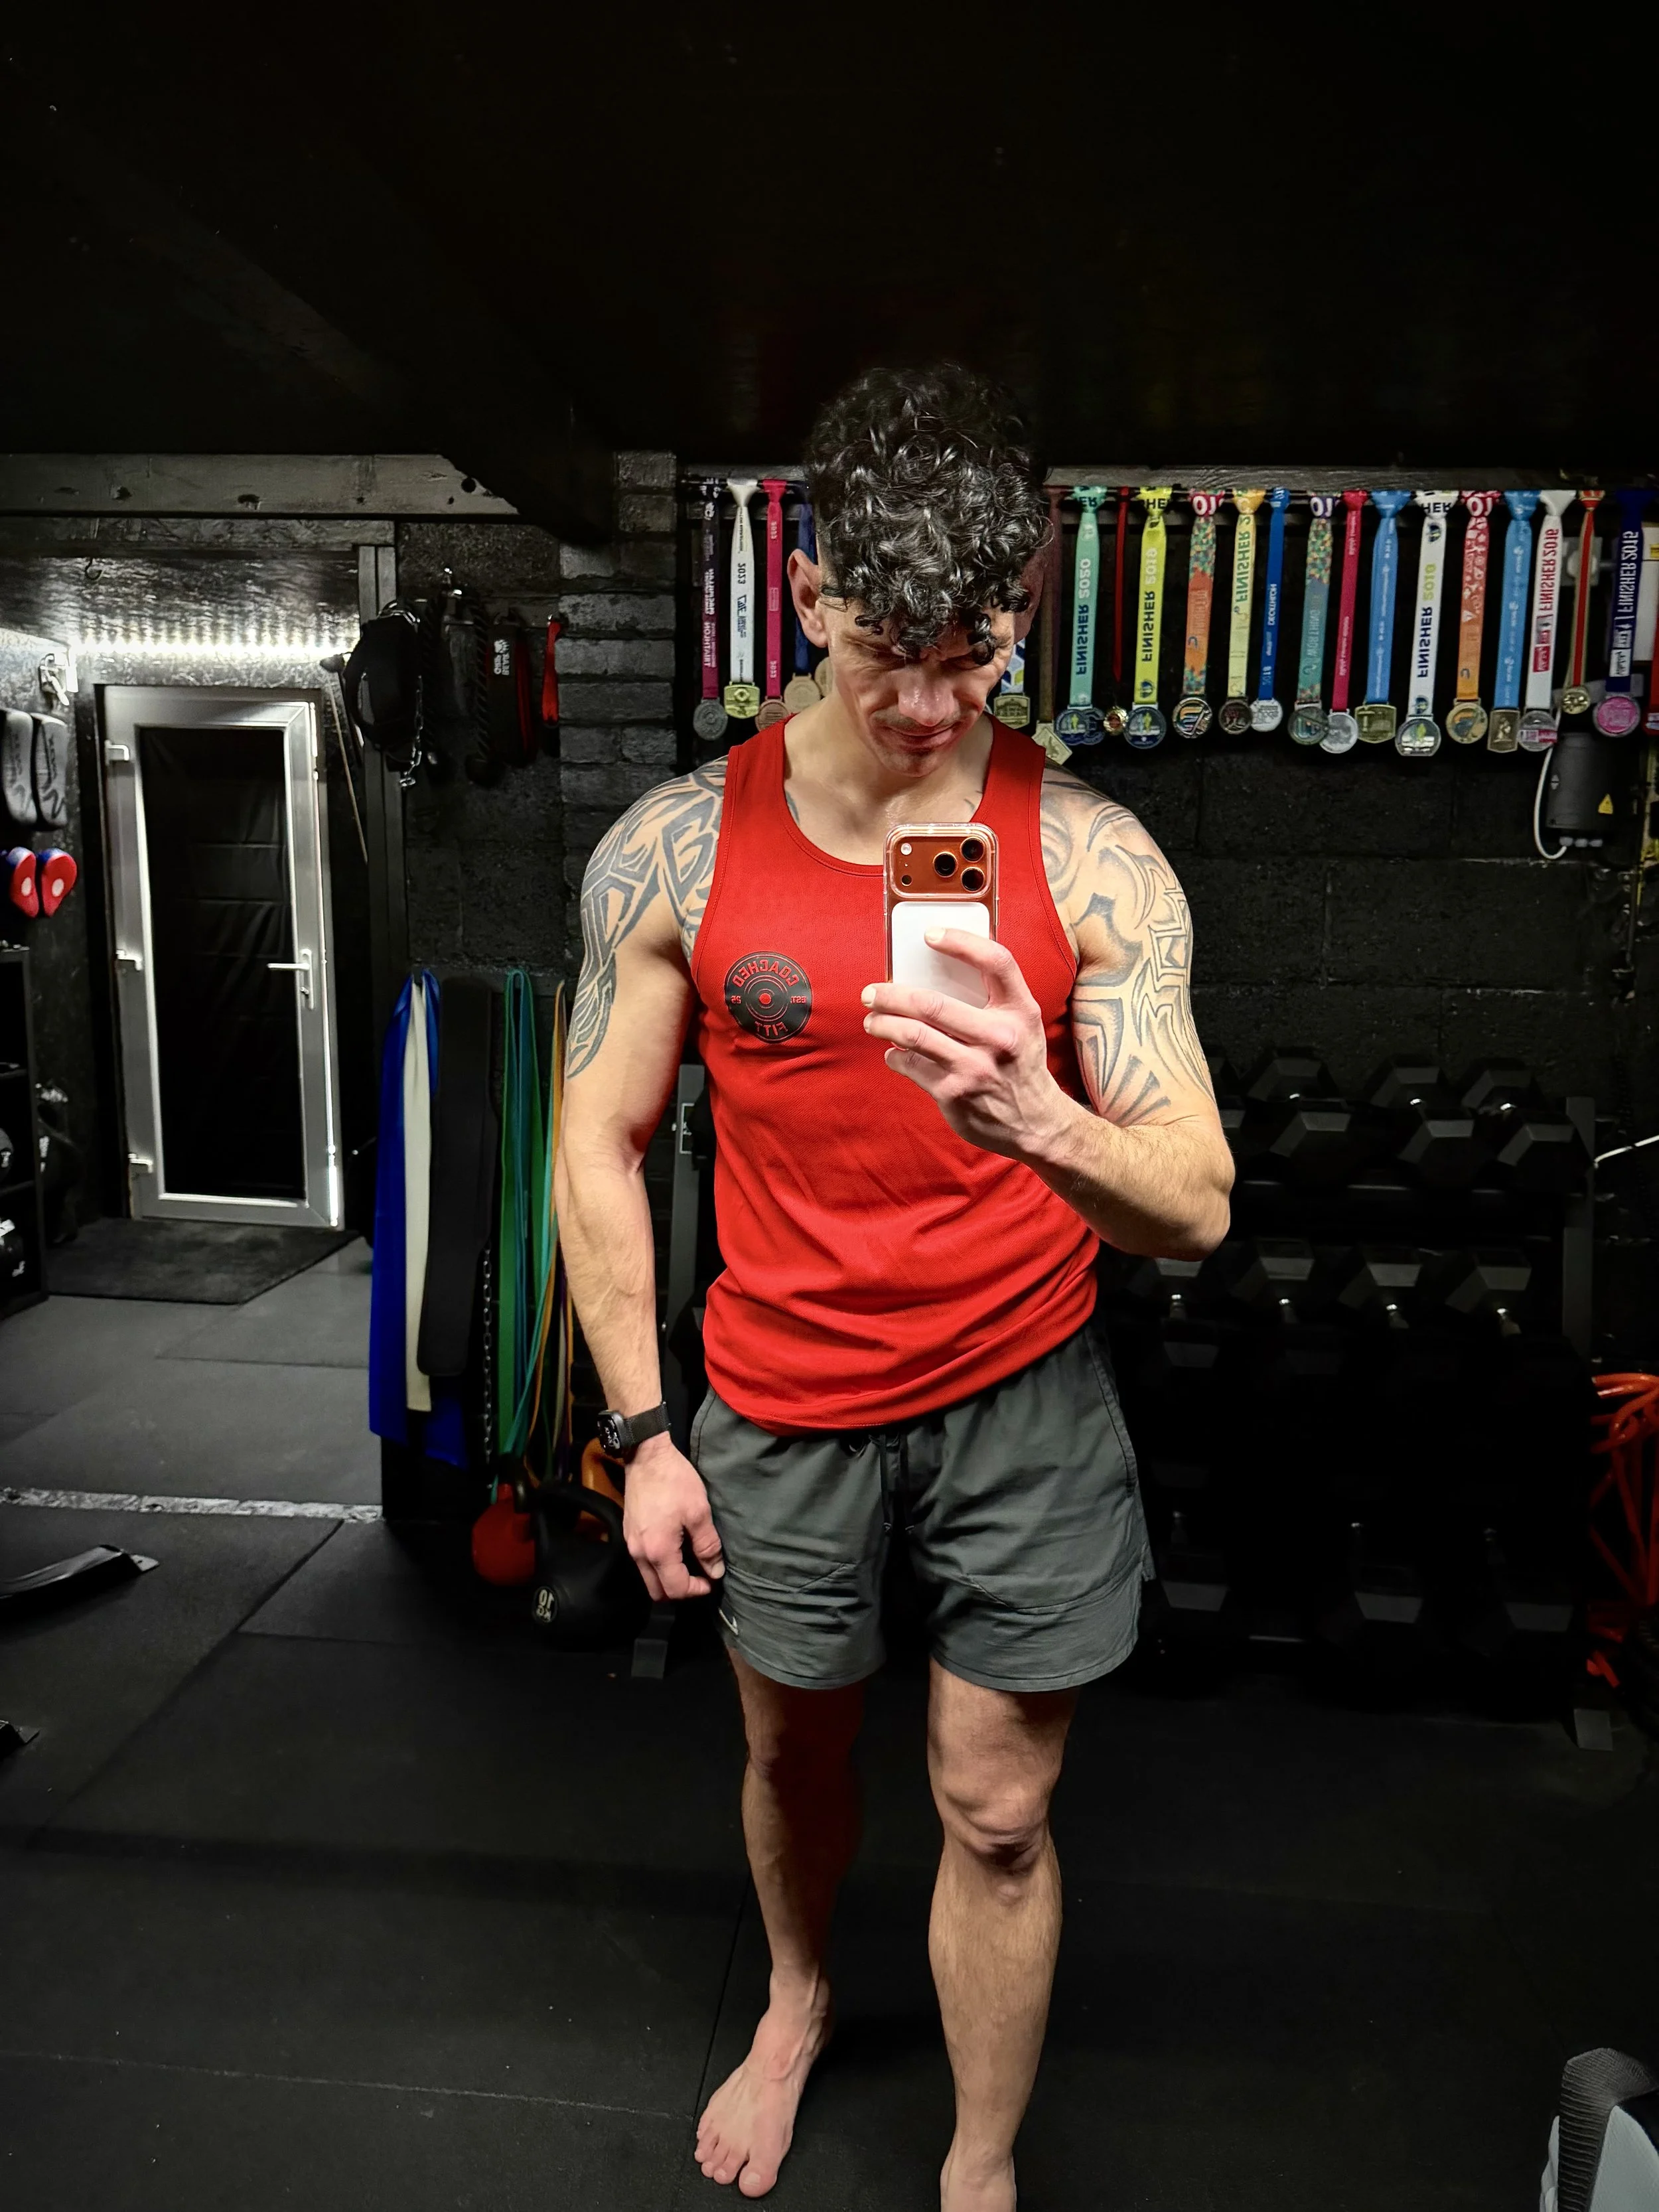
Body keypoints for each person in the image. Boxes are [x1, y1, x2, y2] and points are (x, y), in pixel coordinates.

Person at [554, 366, 1232, 2211]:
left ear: (1021, 607)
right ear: (806, 597)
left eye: (979, 649)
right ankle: (790, 1999)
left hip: (1019, 1391)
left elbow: (1195, 1201)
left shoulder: (1086, 855)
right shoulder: (678, 849)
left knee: (997, 1807)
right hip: (775, 1396)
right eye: (891, 653)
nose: (937, 705)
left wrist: (1034, 1115)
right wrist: (643, 1432)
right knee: (793, 1742)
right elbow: (591, 1145)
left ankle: (978, 2162)